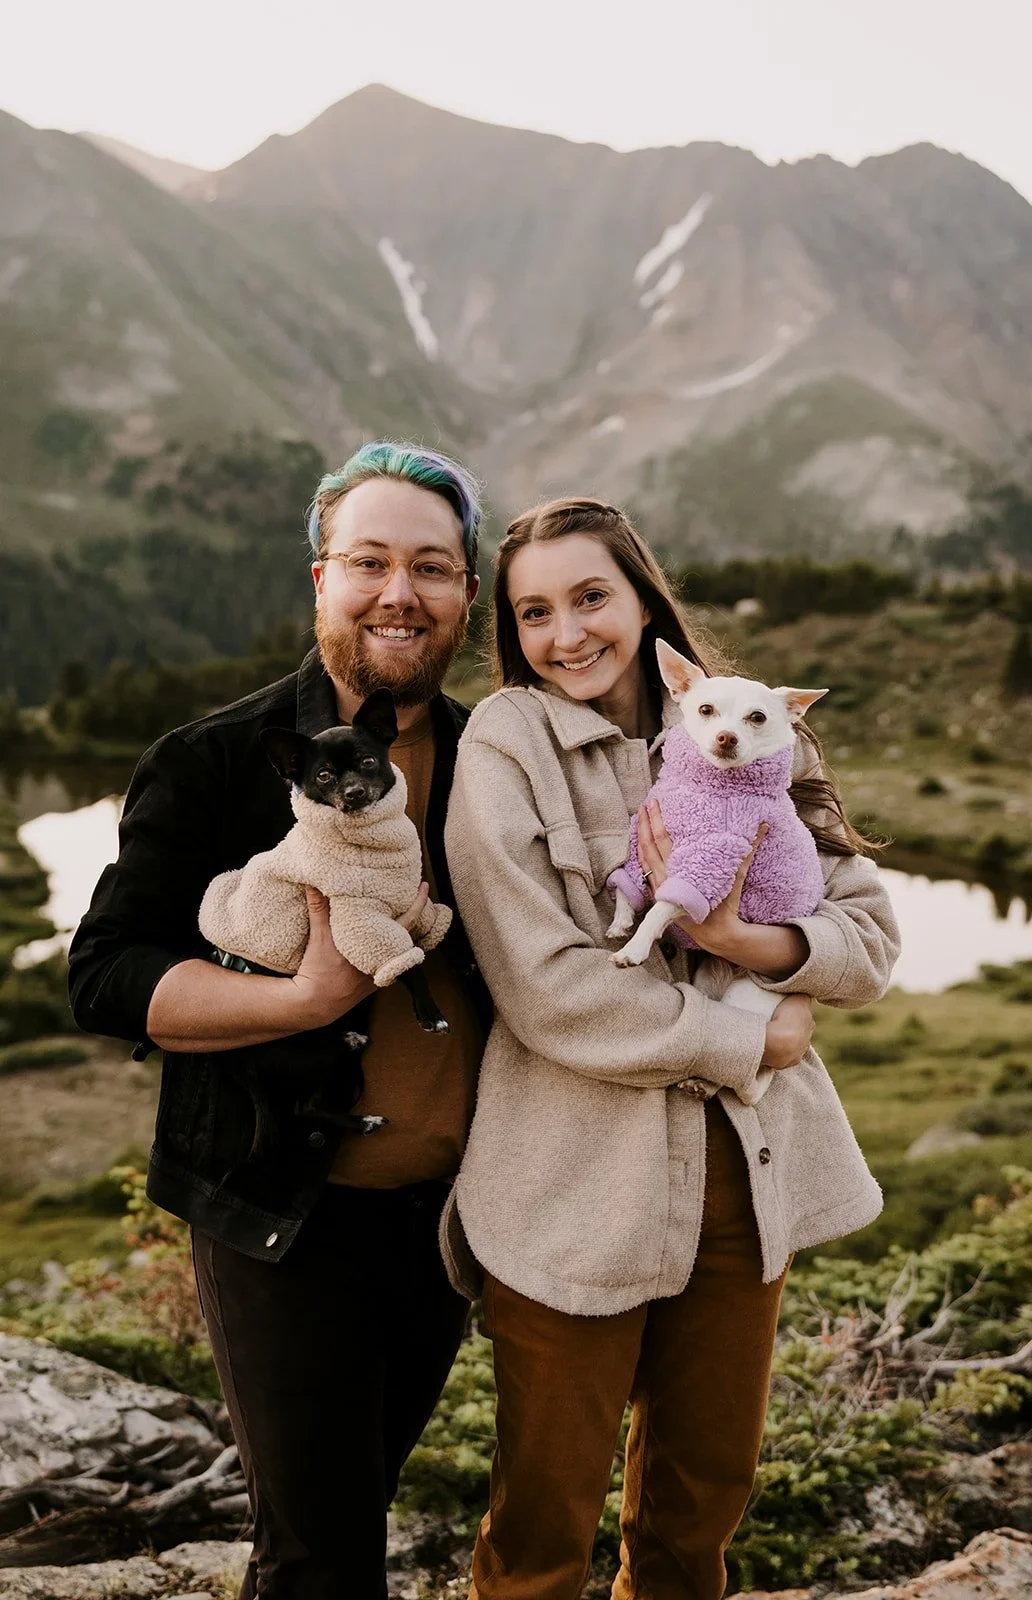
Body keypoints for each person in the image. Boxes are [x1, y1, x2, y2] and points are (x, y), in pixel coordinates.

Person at [440, 497, 900, 1600]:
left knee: (696, 1517)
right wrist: (749, 1031)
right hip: (569, 1187)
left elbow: (870, 937)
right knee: (540, 1531)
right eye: (533, 611)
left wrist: (746, 940)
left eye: (590, 597)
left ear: (643, 600)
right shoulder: (507, 742)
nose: (566, 634)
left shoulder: (750, 724)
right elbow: (548, 988)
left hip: (745, 1182)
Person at [67, 442, 490, 1600]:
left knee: (353, 1508)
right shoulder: (209, 760)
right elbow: (104, 973)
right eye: (369, 561)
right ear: (320, 582)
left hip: (449, 1226)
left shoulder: (496, 761)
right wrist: (299, 999)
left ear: (465, 593)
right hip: (277, 1215)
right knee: (319, 1559)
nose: (399, 591)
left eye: (432, 567)